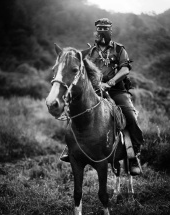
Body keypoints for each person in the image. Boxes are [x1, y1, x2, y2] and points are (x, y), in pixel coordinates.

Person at [60, 18, 144, 176]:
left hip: (117, 90)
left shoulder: (119, 49)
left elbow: (125, 70)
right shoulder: (90, 52)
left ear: (110, 31)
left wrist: (110, 82)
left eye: (105, 28)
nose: (101, 30)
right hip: (95, 91)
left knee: (130, 116)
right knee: (76, 112)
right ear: (95, 31)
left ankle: (134, 155)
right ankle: (70, 149)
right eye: (99, 28)